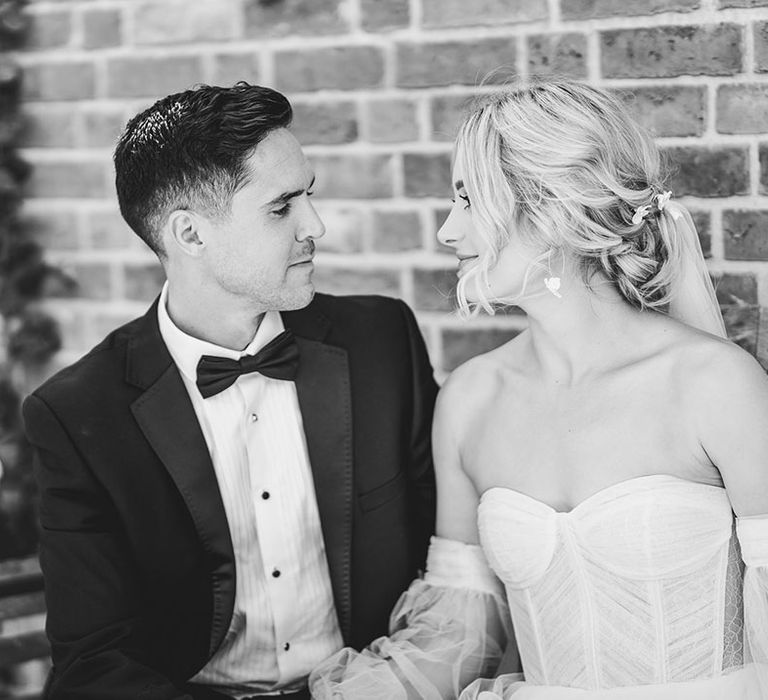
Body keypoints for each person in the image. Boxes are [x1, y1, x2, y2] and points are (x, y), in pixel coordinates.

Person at [308, 80, 768, 699]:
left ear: (548, 210)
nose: (448, 231)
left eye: (468, 200)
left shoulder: (716, 386)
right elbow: (459, 630)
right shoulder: (470, 400)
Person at [22, 82, 438, 700]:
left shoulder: (382, 343)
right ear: (190, 234)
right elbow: (96, 661)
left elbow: (444, 566)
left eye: (310, 197)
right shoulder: (78, 412)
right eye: (282, 207)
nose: (316, 225)